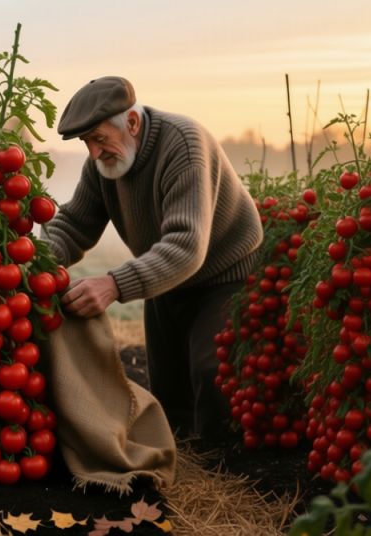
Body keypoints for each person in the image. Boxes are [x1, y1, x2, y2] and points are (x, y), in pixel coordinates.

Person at [41, 76, 264, 440]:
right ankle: (181, 465)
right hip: (165, 277)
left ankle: (225, 470)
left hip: (224, 276)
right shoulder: (103, 164)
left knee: (212, 374)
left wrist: (112, 284)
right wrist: (35, 263)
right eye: (86, 143)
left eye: (99, 139)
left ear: (131, 122)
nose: (94, 153)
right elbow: (74, 223)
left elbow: (186, 246)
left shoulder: (184, 146)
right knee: (169, 390)